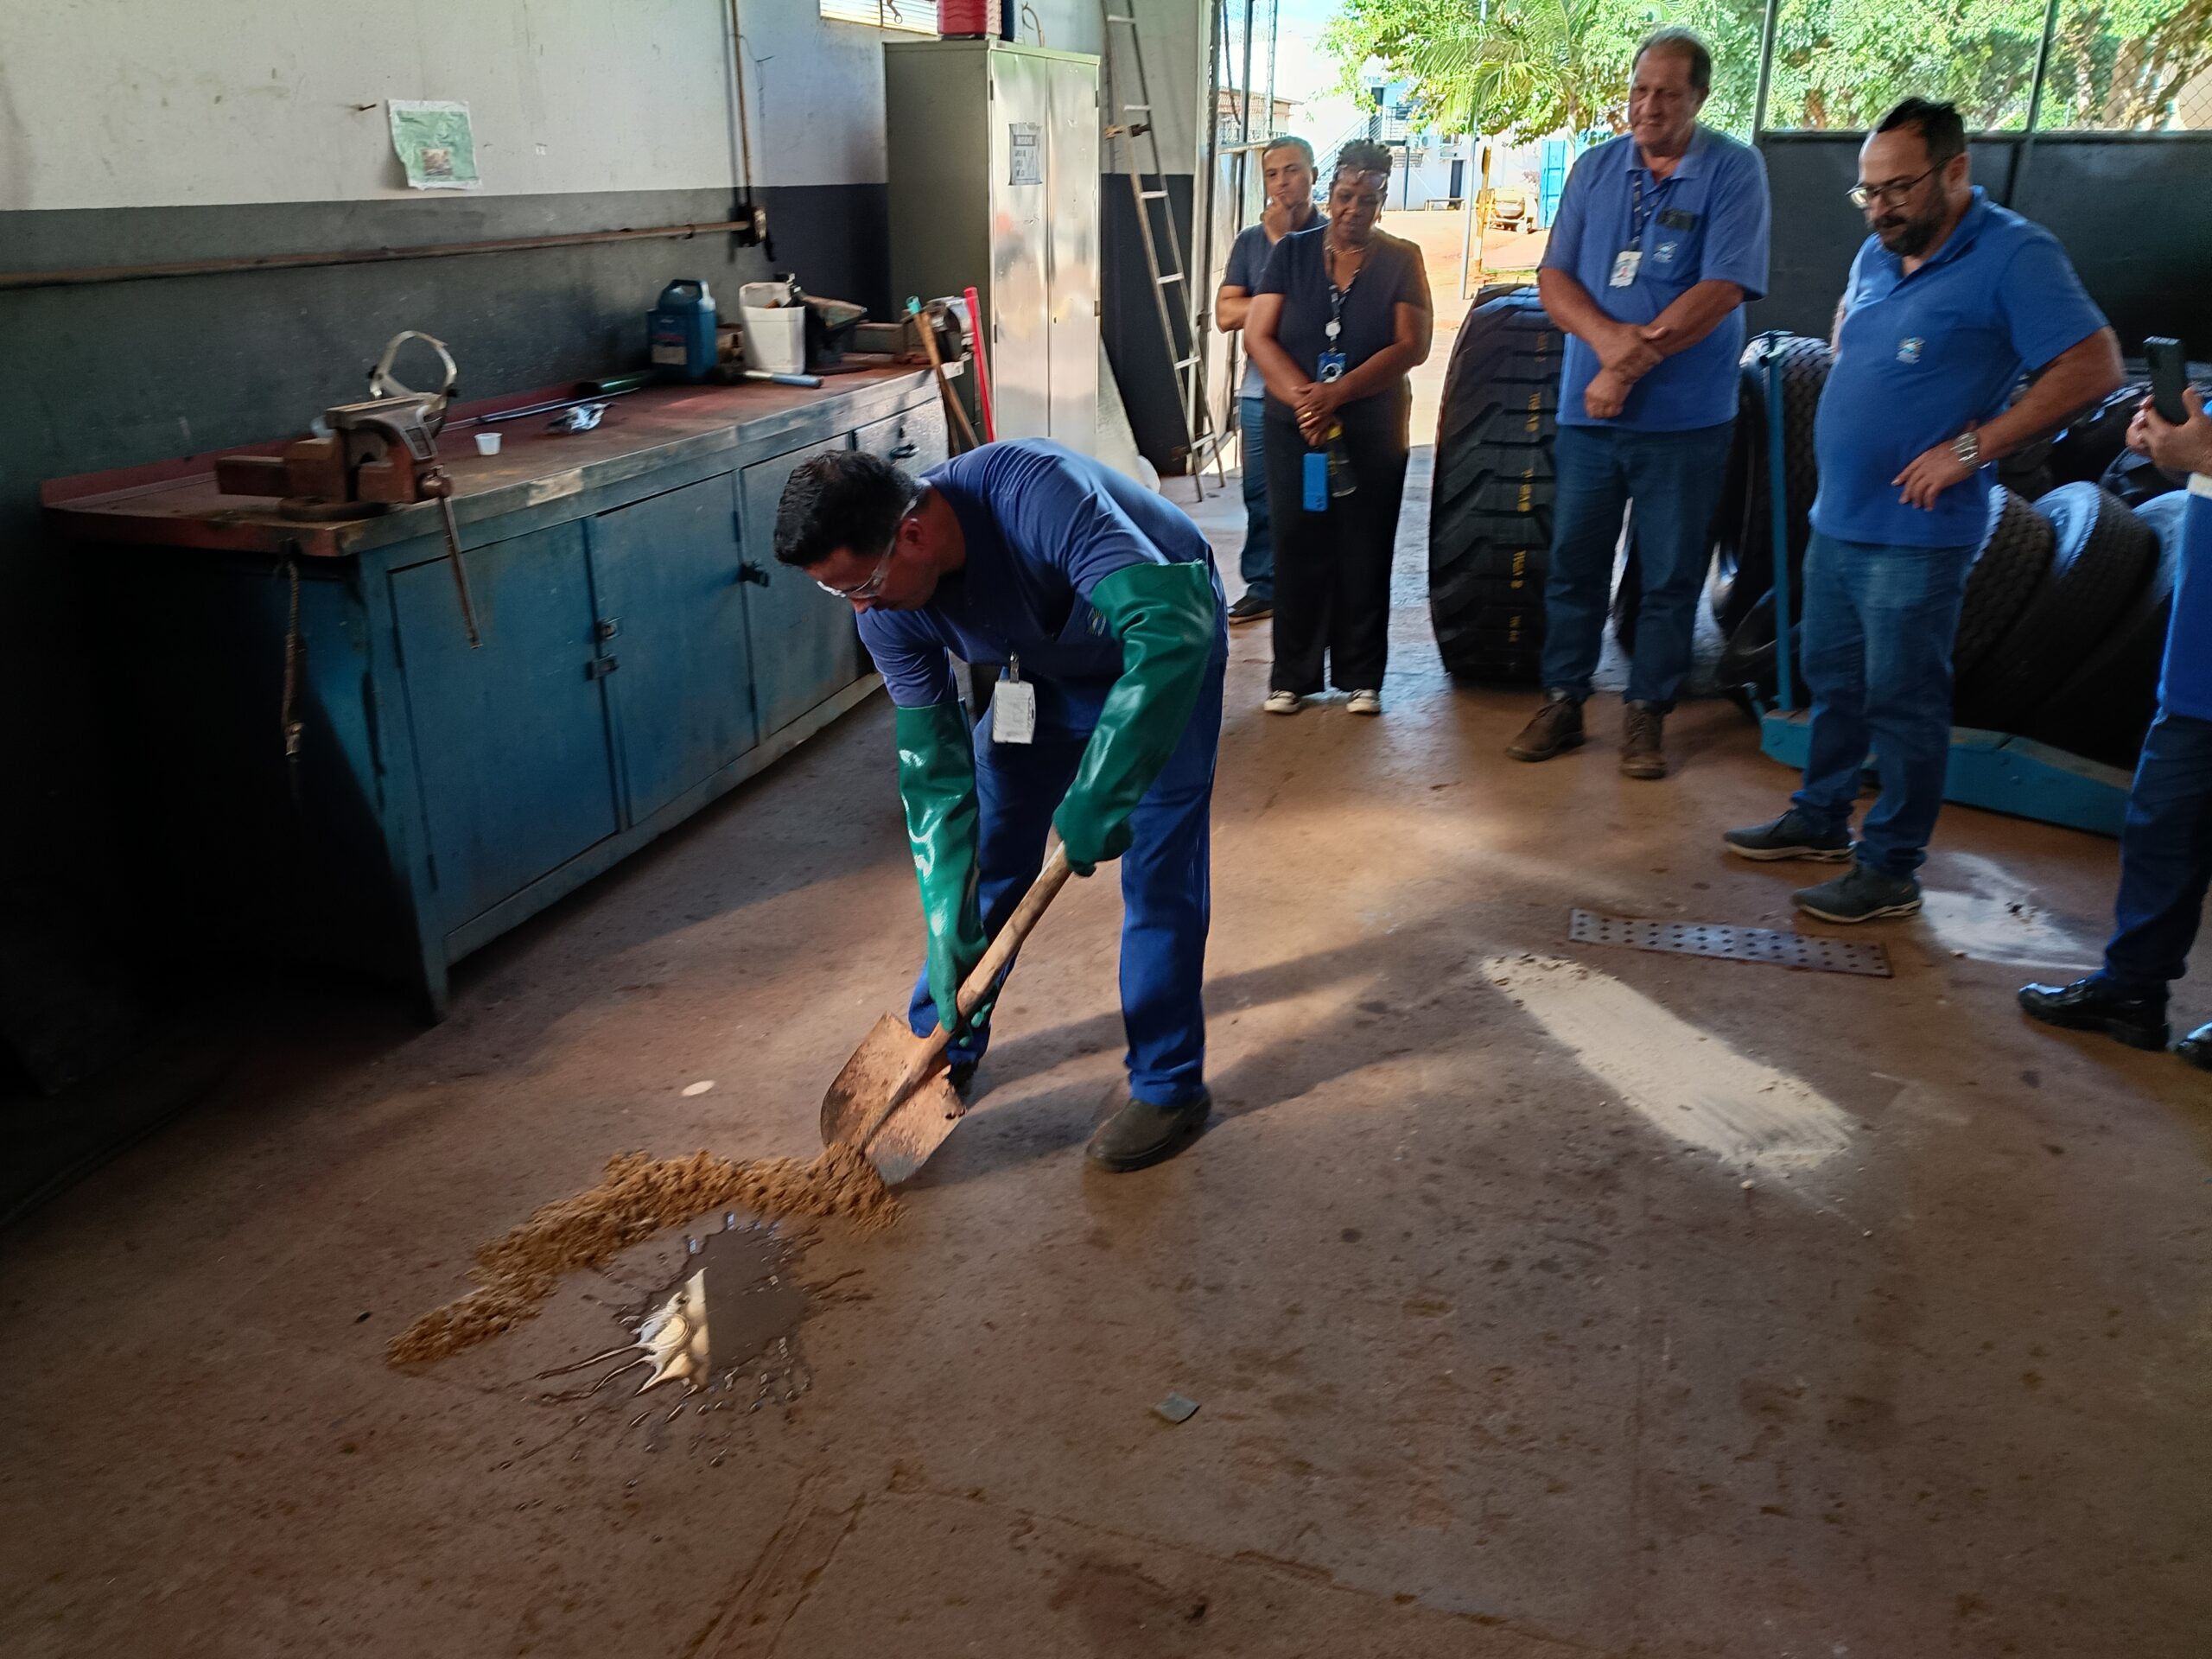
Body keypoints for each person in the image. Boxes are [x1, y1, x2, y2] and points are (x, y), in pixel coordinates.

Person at [773, 440, 1228, 1171]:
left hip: (1164, 651)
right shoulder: (888, 612)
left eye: (863, 584)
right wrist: (945, 916)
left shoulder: (1034, 494)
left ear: (912, 534)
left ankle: (1170, 1086)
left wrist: (1104, 786)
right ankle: (942, 1044)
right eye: (840, 593)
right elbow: (934, 774)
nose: (861, 608)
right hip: (1038, 681)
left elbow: (1171, 625)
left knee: (1158, 865)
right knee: (989, 858)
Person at [1724, 98, 2121, 922]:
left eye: (1896, 190)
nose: (1879, 209)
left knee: (1904, 700)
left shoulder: (2015, 255)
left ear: (1955, 171)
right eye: (1866, 193)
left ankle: (1893, 868)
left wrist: (1973, 449)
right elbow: (1850, 330)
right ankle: (1823, 818)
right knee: (1834, 679)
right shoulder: (1882, 249)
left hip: (1918, 532)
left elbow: (2093, 366)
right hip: (1840, 516)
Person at [1507, 27, 1770, 779]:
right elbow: (1554, 278)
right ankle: (1564, 697)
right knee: (1574, 564)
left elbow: (1721, 289)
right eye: (1639, 90)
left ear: (1699, 98)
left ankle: (1647, 714)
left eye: (1666, 94)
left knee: (1669, 573)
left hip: (1685, 421)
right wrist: (1608, 345)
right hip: (1588, 414)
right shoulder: (1595, 169)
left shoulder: (1733, 170)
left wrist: (1622, 367)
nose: (1647, 107)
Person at [2020, 391, 2212, 1064]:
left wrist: (2205, 452)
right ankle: (2132, 991)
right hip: (2198, 662)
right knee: (2161, 831)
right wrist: (2170, 447)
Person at [1243, 138, 1433, 717]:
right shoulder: (1292, 254)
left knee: (1364, 543)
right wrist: (1304, 400)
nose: (1355, 208)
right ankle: (1292, 677)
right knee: (1297, 539)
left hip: (1372, 426)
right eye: (1346, 195)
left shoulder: (1403, 258)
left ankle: (1361, 677)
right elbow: (1258, 334)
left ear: (1382, 200)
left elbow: (1413, 345)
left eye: (1368, 199)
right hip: (1294, 427)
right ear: (1331, 191)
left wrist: (1338, 395)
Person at [1215, 135, 1323, 626]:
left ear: (1314, 175)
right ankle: (1264, 584)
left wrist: (1262, 311)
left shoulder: (1334, 233)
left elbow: (1325, 306)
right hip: (1261, 395)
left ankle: (1315, 583)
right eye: (1273, 174)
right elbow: (1223, 312)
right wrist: (1275, 309)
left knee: (1317, 490)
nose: (1283, 183)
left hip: (1322, 391)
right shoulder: (1249, 241)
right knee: (1261, 494)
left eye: (1293, 170)